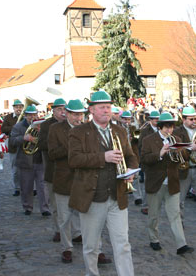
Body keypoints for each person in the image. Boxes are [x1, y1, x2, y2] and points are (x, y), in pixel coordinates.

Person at [68, 91, 138, 276]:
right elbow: (74, 160)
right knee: (91, 246)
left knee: (123, 244)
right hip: (92, 198)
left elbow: (131, 156)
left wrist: (131, 171)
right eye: (102, 107)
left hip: (117, 196)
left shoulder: (120, 131)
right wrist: (103, 157)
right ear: (91, 110)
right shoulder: (78, 132)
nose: (106, 111)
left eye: (108, 107)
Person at [48, 99, 107, 264]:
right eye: (75, 114)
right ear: (67, 113)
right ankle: (67, 248)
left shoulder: (90, 128)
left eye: (81, 114)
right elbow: (52, 154)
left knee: (92, 219)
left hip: (85, 180)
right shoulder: (55, 129)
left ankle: (97, 250)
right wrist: (72, 145)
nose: (78, 117)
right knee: (64, 218)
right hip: (64, 179)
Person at [141, 112, 194, 255]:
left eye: (171, 127)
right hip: (155, 182)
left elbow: (185, 156)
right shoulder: (148, 140)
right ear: (160, 127)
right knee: (153, 215)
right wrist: (160, 153)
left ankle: (181, 244)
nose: (169, 130)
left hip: (172, 182)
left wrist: (180, 152)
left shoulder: (176, 138)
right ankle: (154, 239)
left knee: (175, 214)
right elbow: (145, 159)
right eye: (166, 127)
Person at [9, 104, 50, 216]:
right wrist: (24, 138)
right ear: (25, 115)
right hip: (25, 160)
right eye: (30, 115)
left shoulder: (41, 125)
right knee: (26, 186)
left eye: (34, 114)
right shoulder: (18, 126)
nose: (32, 117)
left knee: (42, 187)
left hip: (40, 159)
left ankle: (45, 209)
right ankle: (27, 207)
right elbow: (12, 141)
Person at [37, 98, 66, 243]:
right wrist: (56, 143)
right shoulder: (46, 125)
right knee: (56, 205)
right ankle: (58, 230)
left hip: (71, 170)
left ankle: (76, 232)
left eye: (64, 109)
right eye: (59, 109)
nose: (63, 112)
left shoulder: (72, 124)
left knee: (74, 205)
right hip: (53, 169)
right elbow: (41, 144)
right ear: (53, 111)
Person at [172, 106, 196, 225]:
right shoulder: (176, 131)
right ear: (184, 119)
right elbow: (175, 147)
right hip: (183, 170)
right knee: (179, 200)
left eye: (195, 119)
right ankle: (179, 223)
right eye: (190, 119)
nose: (193, 122)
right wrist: (190, 147)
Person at [137, 110, 160, 215]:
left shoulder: (162, 129)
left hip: (160, 160)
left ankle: (156, 204)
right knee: (148, 184)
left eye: (158, 119)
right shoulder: (145, 131)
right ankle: (146, 205)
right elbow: (141, 146)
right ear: (150, 120)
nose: (157, 121)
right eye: (155, 119)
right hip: (149, 161)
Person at [120, 110, 143, 205]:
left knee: (136, 176)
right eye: (125, 119)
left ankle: (138, 197)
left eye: (128, 119)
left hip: (132, 154)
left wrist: (133, 138)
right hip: (122, 155)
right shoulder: (117, 129)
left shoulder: (133, 127)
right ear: (121, 119)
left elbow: (139, 139)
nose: (127, 121)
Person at [2, 99, 24, 196]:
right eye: (16, 107)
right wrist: (15, 127)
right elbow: (3, 129)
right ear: (13, 108)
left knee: (27, 169)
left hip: (24, 146)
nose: (18, 109)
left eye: (20, 107)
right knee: (15, 170)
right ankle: (17, 188)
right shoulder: (8, 117)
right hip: (13, 146)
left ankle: (28, 187)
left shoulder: (25, 117)